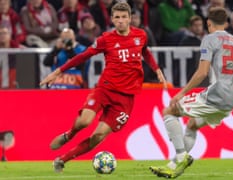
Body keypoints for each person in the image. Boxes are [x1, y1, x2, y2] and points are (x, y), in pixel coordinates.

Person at [40, 2, 167, 172]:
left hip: (126, 98)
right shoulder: (105, 39)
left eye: (124, 17)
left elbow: (145, 51)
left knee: (98, 136)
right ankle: (70, 134)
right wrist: (58, 72)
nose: (121, 21)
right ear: (112, 20)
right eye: (117, 17)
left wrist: (156, 69)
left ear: (129, 18)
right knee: (84, 121)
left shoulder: (141, 35)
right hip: (105, 89)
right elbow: (83, 56)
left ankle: (63, 159)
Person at [149, 7, 233, 178]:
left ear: (208, 23)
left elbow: (202, 72)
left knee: (169, 112)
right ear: (226, 23)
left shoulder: (209, 39)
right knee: (192, 125)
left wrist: (181, 93)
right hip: (231, 99)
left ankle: (181, 156)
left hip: (215, 95)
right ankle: (173, 166)